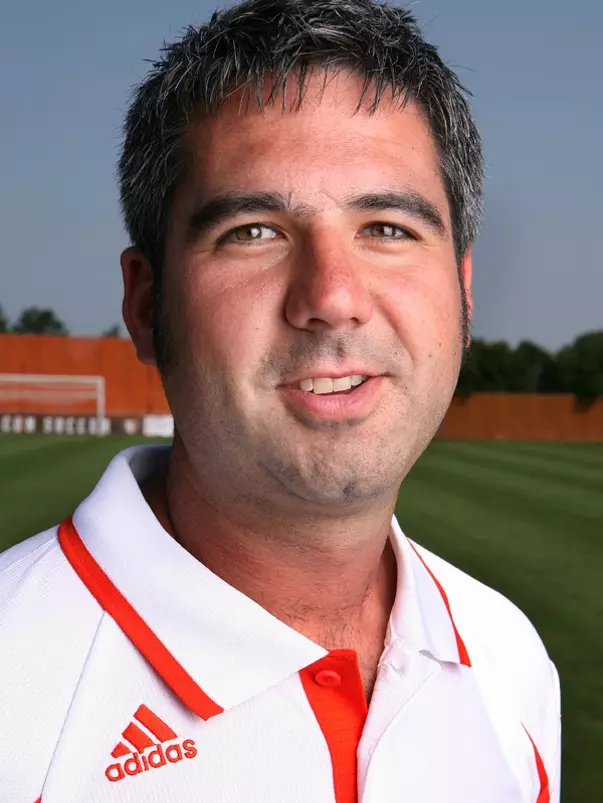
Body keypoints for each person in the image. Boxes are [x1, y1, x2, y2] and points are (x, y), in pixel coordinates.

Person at [0, 0, 561, 800]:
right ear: (145, 302)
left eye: (388, 228)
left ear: (463, 295)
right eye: (253, 231)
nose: (332, 296)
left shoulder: (510, 659)